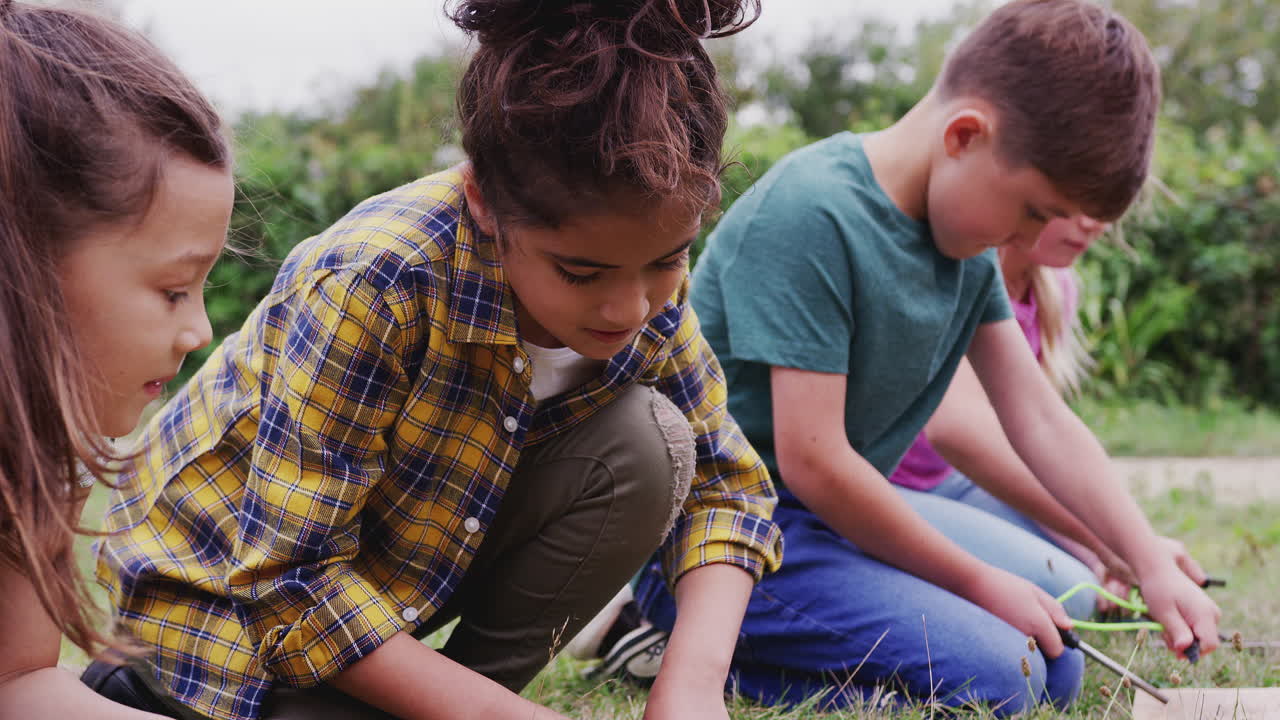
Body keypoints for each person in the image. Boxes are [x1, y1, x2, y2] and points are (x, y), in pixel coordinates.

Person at [86, 2, 782, 719]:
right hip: (219, 623)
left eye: (667, 260)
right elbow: (287, 584)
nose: (629, 310)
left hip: (371, 619)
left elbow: (725, 491)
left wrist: (691, 690)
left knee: (651, 441)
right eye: (580, 273)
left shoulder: (642, 289)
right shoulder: (378, 279)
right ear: (483, 200)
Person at [625, 0, 1220, 713]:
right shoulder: (815, 214)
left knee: (1054, 656)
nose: (1031, 240)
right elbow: (814, 463)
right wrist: (977, 581)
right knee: (1010, 679)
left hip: (832, 530)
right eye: (1033, 211)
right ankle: (675, 651)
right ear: (965, 135)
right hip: (732, 543)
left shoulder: (964, 246)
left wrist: (1146, 558)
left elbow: (1037, 415)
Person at [0, 2, 232, 718]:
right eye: (172, 290)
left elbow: (16, 685)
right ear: (26, 265)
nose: (199, 330)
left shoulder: (31, 461)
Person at [891, 215, 1209, 622]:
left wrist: (1104, 556)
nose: (1093, 224)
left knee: (1083, 580)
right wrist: (1118, 546)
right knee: (1066, 595)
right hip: (892, 488)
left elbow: (1039, 446)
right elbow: (957, 432)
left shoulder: (1055, 288)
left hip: (957, 485)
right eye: (1072, 206)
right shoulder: (956, 269)